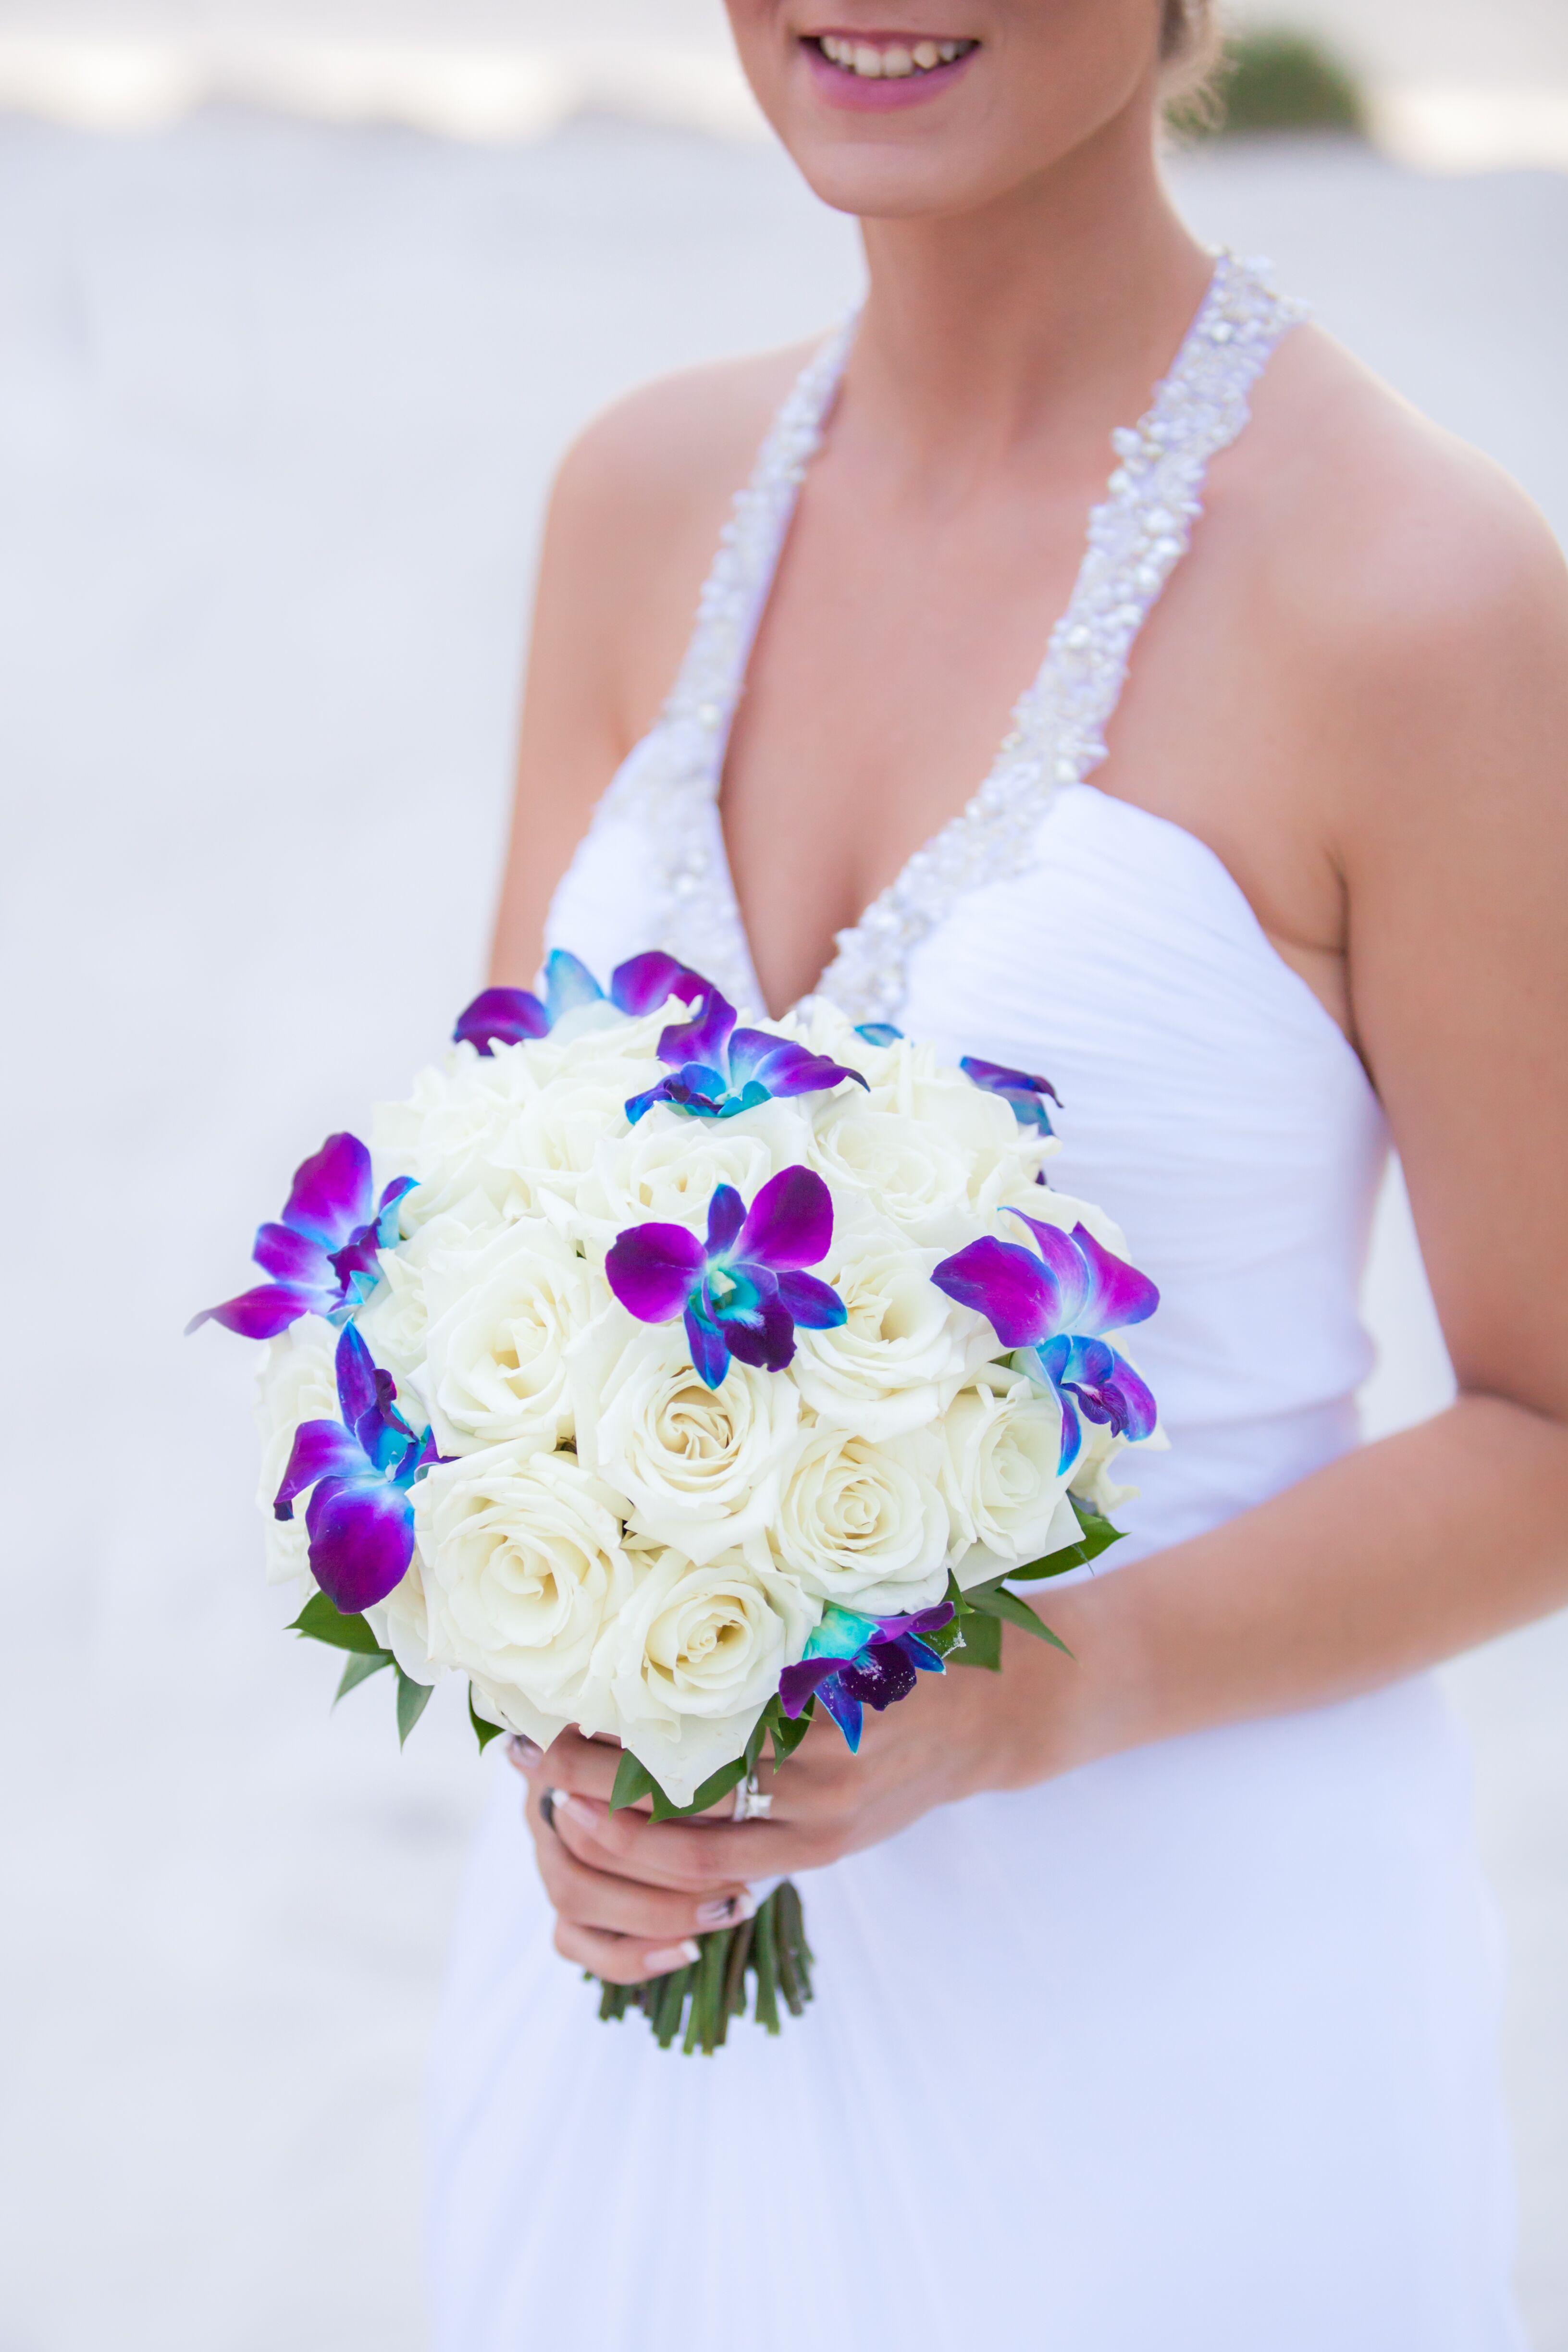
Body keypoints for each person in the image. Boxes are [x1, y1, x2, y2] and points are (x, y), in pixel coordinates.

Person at [425, 5, 1568, 2345]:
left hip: (1167, 2041)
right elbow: (477, 1246)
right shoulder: (631, 503)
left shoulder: (1427, 599)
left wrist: (1027, 1700)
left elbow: (1556, 1425)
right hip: (624, 1999)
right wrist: (557, 1686)